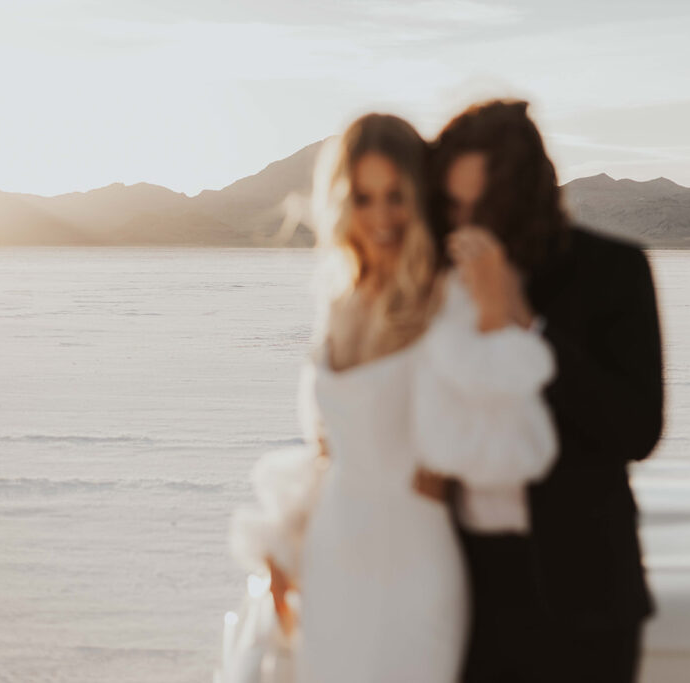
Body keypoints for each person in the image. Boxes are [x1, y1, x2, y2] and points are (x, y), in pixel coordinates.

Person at [228, 112, 559, 683]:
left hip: (414, 559)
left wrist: (493, 316)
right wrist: (286, 547)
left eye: (396, 196)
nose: (381, 217)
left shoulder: (448, 298)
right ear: (342, 203)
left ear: (418, 197)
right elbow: (327, 450)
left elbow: (510, 438)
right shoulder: (339, 303)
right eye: (364, 197)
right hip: (333, 556)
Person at [426, 99, 665, 682]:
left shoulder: (614, 270)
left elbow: (637, 429)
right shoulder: (434, 280)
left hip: (585, 597)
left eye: (483, 208)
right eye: (454, 207)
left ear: (526, 196)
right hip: (463, 592)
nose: (467, 227)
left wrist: (524, 321)